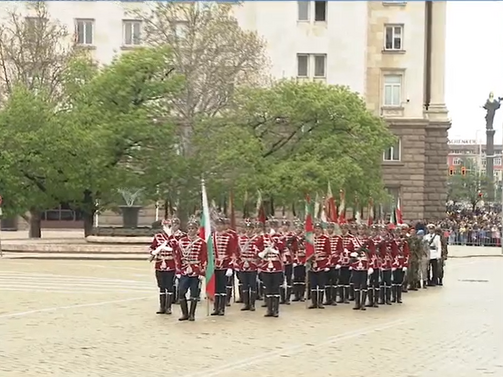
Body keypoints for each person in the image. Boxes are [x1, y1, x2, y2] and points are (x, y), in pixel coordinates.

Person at [176, 219, 207, 321]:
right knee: (181, 291)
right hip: (185, 270)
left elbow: (204, 258)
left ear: (197, 229)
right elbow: (178, 257)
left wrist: (202, 272)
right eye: (189, 228)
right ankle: (184, 313)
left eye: (193, 228)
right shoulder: (181, 241)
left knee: (194, 293)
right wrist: (178, 271)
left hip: (196, 270)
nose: (190, 230)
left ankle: (192, 314)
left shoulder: (201, 243)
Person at [149, 219, 179, 315]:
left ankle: (168, 307)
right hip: (159, 263)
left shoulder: (175, 237)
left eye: (169, 226)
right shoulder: (158, 237)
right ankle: (162, 306)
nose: (167, 228)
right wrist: (153, 253)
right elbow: (152, 247)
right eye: (165, 226)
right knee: (161, 286)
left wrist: (170, 237)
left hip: (170, 263)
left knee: (169, 286)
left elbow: (176, 248)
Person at [211, 217, 238, 316]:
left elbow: (232, 253)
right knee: (215, 287)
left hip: (225, 264)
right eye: (217, 225)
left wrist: (230, 266)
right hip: (214, 265)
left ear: (223, 226)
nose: (218, 226)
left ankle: (221, 308)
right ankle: (215, 307)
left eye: (220, 225)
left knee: (222, 287)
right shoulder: (212, 237)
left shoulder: (229, 237)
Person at [258, 229, 285, 317]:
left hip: (276, 267)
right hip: (266, 267)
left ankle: (276, 310)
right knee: (267, 289)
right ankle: (269, 309)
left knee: (275, 289)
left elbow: (281, 248)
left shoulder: (279, 239)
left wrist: (275, 243)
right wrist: (265, 249)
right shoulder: (262, 238)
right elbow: (257, 248)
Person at [236, 220, 261, 311]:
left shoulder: (257, 239)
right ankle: (246, 303)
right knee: (244, 284)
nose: (248, 231)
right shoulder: (241, 239)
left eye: (250, 229)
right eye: (247, 229)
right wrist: (238, 262)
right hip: (243, 264)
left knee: (253, 284)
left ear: (253, 229)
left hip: (252, 264)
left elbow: (260, 252)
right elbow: (237, 252)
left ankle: (253, 304)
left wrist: (258, 262)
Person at [308, 222, 331, 309]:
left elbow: (328, 252)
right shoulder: (310, 239)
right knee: (313, 284)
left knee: (321, 284)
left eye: (318, 229)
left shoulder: (325, 239)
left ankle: (320, 302)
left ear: (321, 230)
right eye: (315, 228)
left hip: (321, 263)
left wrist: (327, 264)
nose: (317, 230)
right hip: (312, 264)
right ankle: (314, 302)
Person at [337, 224, 360, 304]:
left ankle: (347, 297)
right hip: (340, 261)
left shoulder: (351, 238)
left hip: (348, 261)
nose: (343, 230)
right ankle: (341, 297)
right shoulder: (338, 237)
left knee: (347, 279)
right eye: (342, 228)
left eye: (345, 228)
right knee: (340, 279)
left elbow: (354, 250)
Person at [325, 222, 341, 306]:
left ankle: (334, 299)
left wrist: (338, 262)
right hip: (326, 263)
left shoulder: (338, 238)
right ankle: (328, 299)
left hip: (334, 263)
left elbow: (340, 251)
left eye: (331, 228)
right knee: (326, 282)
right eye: (328, 228)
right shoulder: (324, 238)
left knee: (334, 282)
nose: (329, 229)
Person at [279, 219, 294, 305]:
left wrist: (290, 246)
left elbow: (296, 248)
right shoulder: (278, 235)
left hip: (289, 260)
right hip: (280, 260)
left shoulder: (292, 236)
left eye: (286, 226)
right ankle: (282, 298)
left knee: (288, 279)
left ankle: (288, 298)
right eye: (283, 225)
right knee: (280, 280)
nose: (285, 227)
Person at [291, 221, 307, 302]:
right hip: (296, 260)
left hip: (303, 260)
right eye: (296, 228)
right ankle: (296, 295)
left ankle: (302, 295)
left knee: (302, 278)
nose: (298, 230)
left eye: (299, 228)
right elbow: (292, 249)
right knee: (296, 278)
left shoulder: (306, 238)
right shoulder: (294, 238)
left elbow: (308, 249)